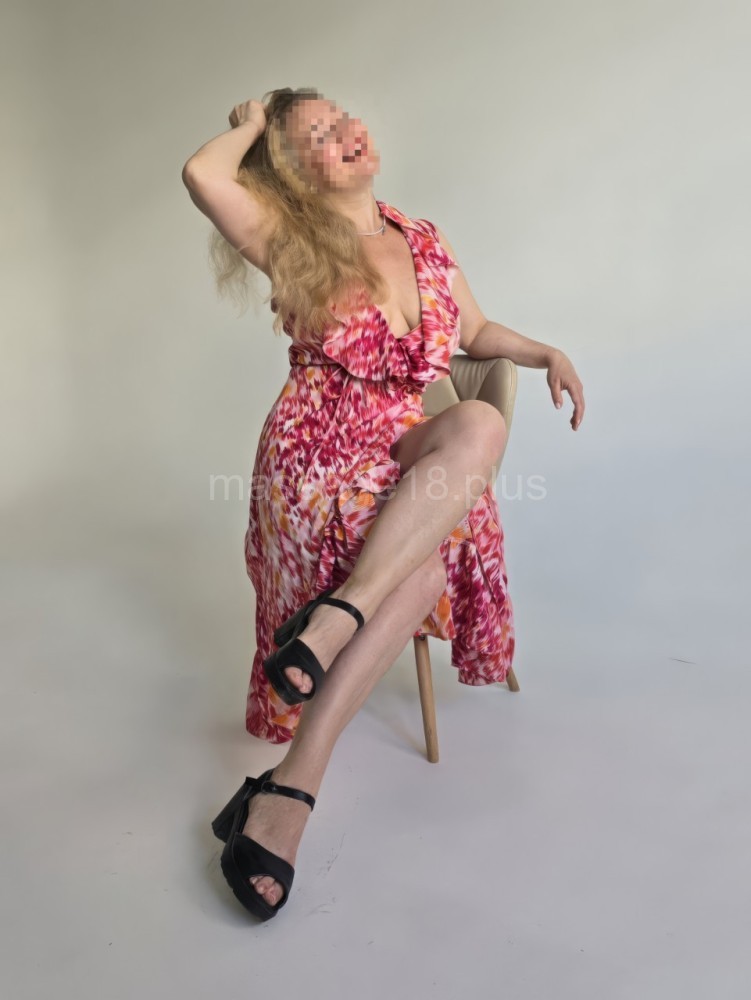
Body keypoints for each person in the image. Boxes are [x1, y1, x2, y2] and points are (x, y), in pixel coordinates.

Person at [182, 87, 585, 920]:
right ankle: (291, 793)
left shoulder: (422, 237)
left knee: (475, 422)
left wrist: (543, 351)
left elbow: (473, 333)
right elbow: (202, 175)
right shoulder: (287, 237)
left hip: (398, 446)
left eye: (342, 120)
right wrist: (253, 125)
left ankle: (335, 620)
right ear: (294, 173)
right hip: (314, 462)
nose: (345, 134)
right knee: (423, 559)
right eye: (318, 137)